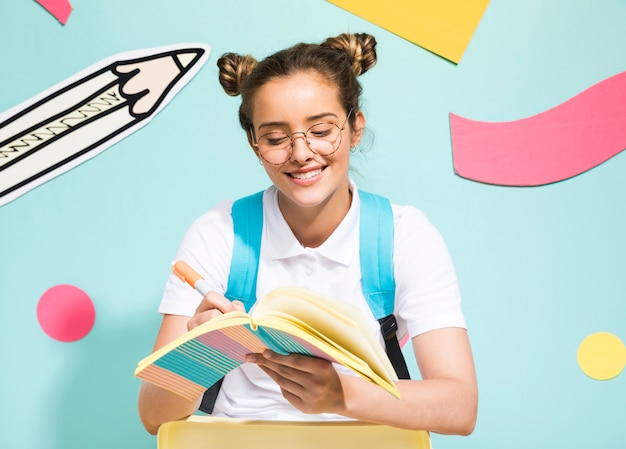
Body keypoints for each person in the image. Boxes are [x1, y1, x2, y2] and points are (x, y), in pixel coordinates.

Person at [138, 32, 478, 436]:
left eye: (321, 130)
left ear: (355, 128)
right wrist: (206, 350)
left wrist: (341, 396)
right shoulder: (219, 233)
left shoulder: (405, 237)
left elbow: (460, 408)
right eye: (276, 138)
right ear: (255, 145)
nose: (300, 153)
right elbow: (152, 416)